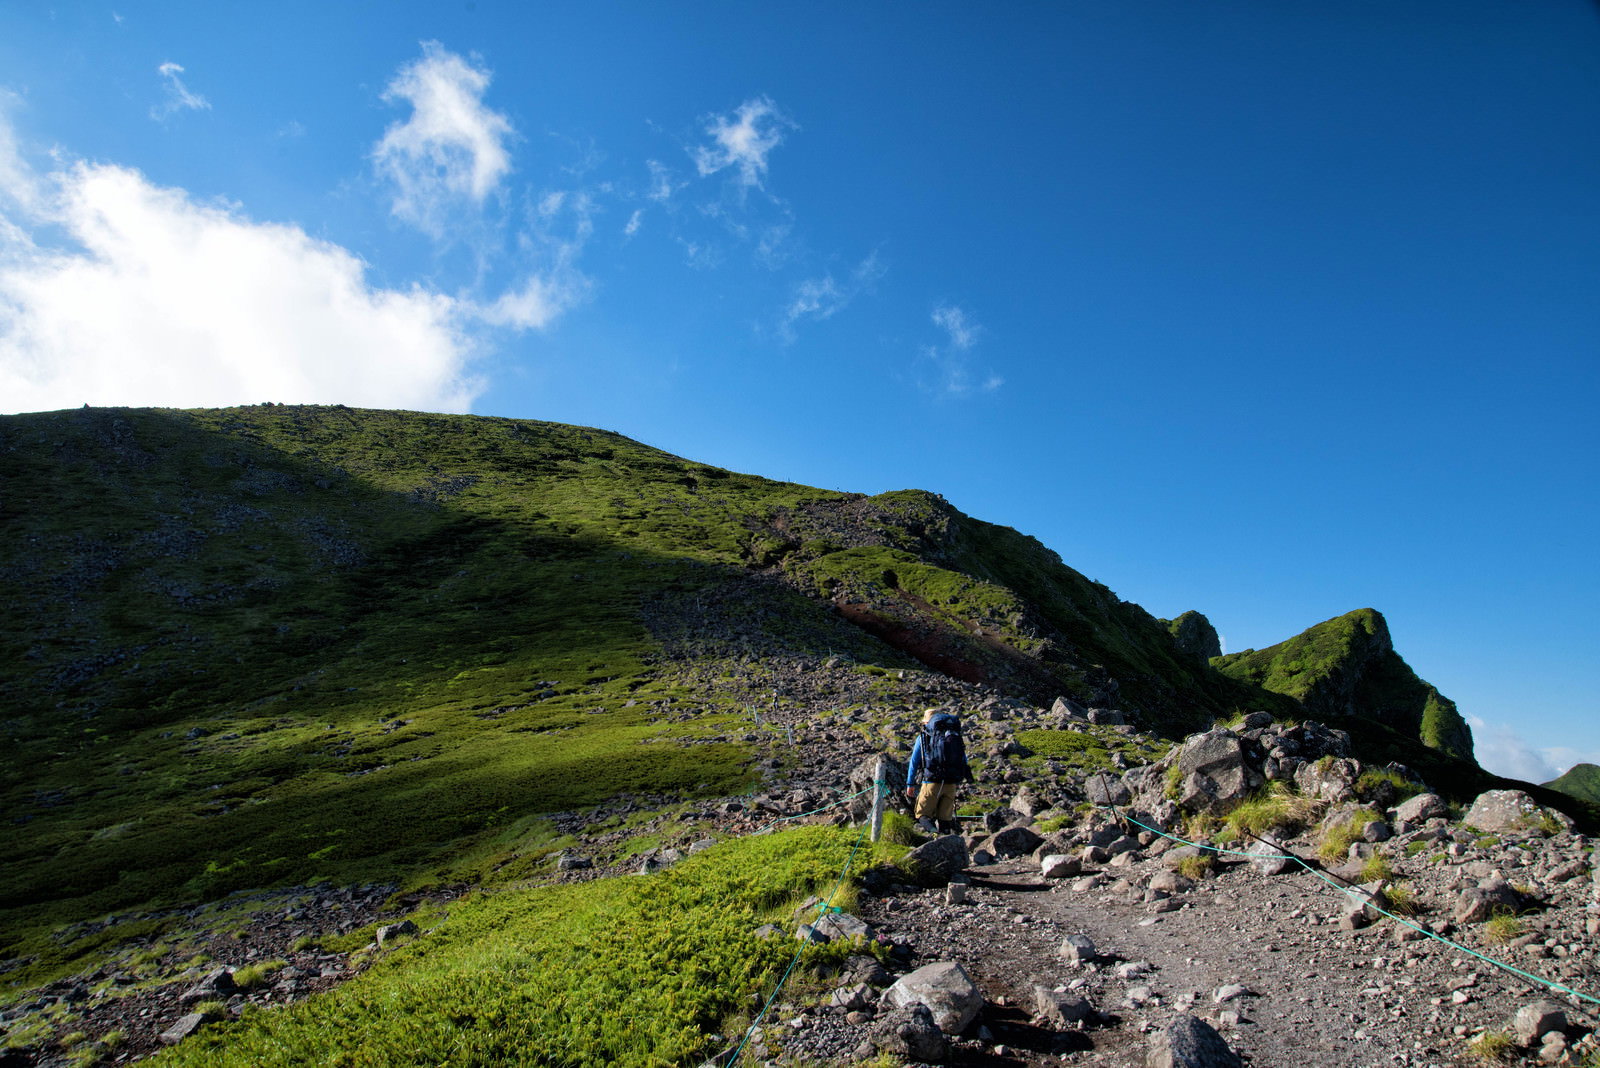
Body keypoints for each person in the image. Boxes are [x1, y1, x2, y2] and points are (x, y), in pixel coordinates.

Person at [904, 708, 972, 835]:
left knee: (922, 816)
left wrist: (910, 784)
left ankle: (935, 834)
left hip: (931, 782)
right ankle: (946, 843)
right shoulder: (953, 735)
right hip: (951, 782)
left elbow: (914, 762)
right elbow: (964, 759)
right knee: (945, 819)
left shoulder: (924, 737)